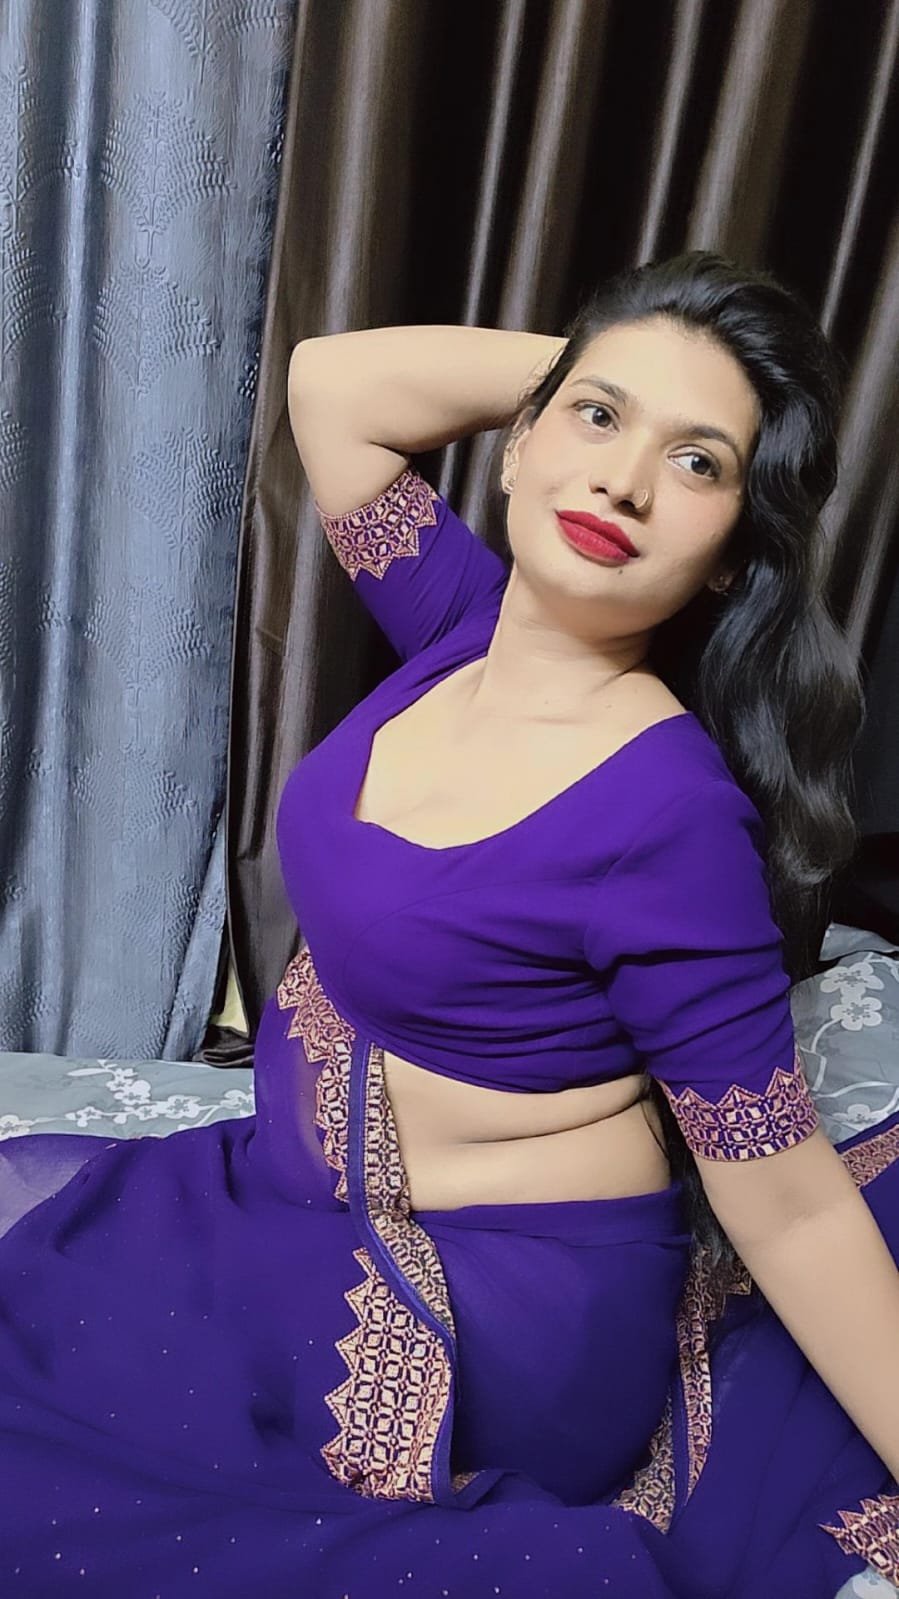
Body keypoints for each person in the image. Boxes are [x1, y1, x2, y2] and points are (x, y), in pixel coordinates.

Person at [0, 251, 897, 1599]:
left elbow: (788, 1205)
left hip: (486, 1308)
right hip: (288, 1205)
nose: (623, 483)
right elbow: (334, 387)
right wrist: (611, 368)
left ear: (730, 561)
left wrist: (612, 392)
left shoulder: (668, 815)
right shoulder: (458, 625)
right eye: (596, 422)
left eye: (698, 466)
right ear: (520, 439)